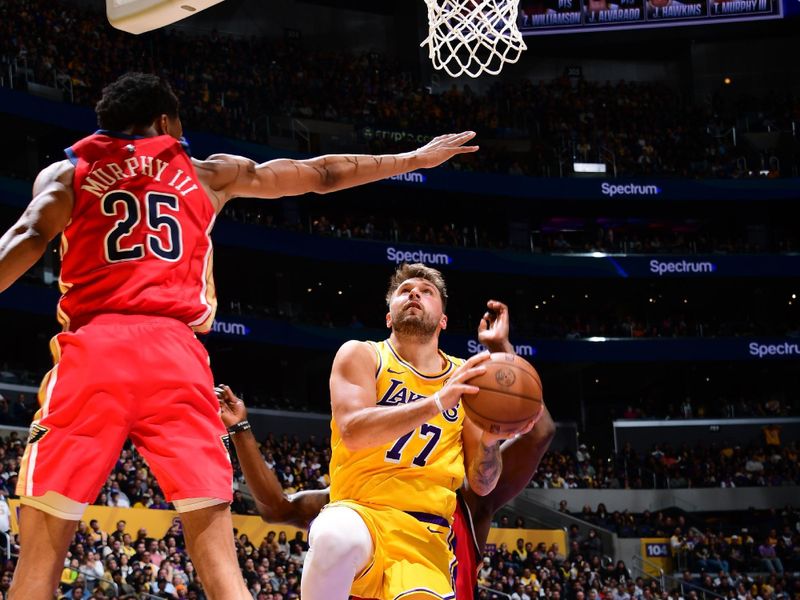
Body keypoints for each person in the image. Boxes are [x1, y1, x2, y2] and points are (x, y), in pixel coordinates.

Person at [0, 72, 477, 600]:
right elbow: (320, 173)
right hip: (177, 356)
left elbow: (27, 236)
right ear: (165, 122)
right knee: (221, 564)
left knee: (41, 555)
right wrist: (413, 159)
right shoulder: (207, 173)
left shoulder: (67, 173)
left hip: (95, 349)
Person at [217, 296, 555, 599]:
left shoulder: (467, 502)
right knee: (336, 536)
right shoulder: (353, 504)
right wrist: (242, 430)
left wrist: (501, 354)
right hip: (360, 527)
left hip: (428, 558)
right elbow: (278, 507)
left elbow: (538, 432)